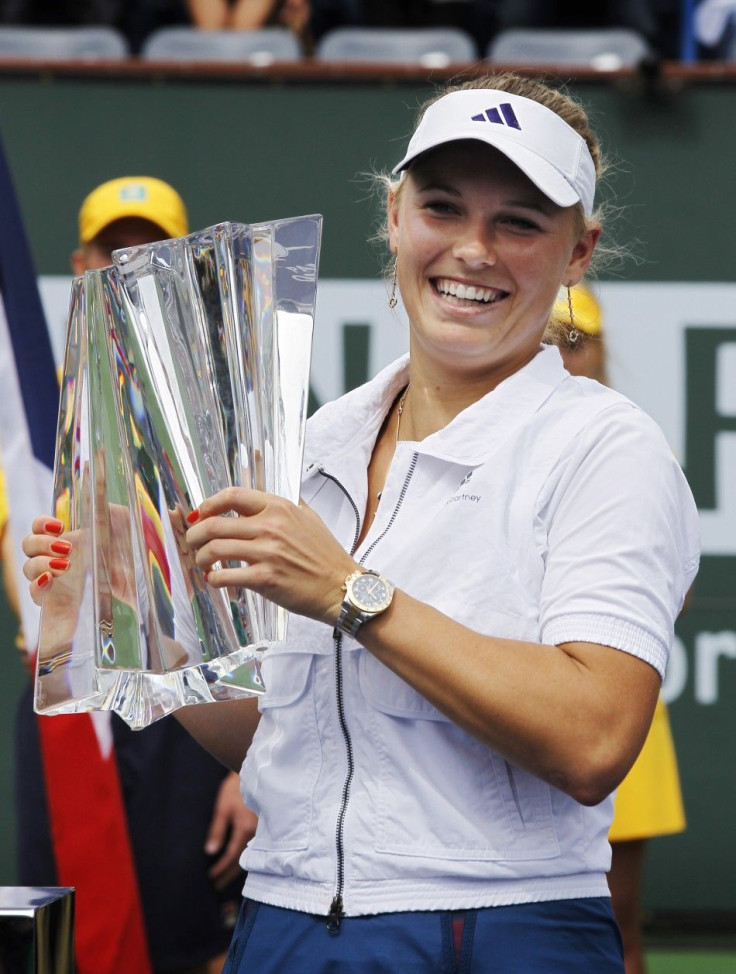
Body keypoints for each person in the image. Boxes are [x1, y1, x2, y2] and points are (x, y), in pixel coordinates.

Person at [23, 74, 700, 972]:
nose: (473, 249)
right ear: (393, 214)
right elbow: (281, 735)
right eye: (443, 207)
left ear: (581, 251)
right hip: (285, 920)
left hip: (497, 927)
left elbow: (594, 740)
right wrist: (137, 626)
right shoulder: (313, 441)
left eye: (521, 222)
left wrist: (351, 593)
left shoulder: (608, 448)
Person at [14, 176, 256, 974]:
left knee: (202, 943)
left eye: (150, 253)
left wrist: (252, 767)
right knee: (70, 942)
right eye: (113, 250)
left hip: (197, 703)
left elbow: (261, 597)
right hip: (71, 699)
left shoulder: (231, 415)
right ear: (81, 261)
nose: (127, 267)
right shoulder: (33, 416)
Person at [555, 283, 687, 974]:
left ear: (602, 348)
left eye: (576, 342)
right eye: (551, 341)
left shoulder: (632, 444)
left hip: (618, 707)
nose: (563, 356)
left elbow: (676, 591)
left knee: (613, 927)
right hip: (515, 702)